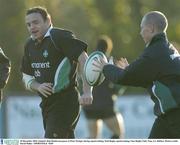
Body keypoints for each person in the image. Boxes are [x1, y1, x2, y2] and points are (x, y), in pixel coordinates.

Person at [93, 11, 180, 138]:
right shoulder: (169, 48)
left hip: (175, 115)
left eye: (142, 28)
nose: (140, 33)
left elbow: (123, 77)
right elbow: (147, 78)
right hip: (166, 116)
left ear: (151, 29)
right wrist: (128, 70)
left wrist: (105, 67)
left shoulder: (153, 53)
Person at [21, 6, 93, 138]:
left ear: (48, 21)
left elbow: (84, 60)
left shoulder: (59, 36)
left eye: (36, 22)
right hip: (47, 104)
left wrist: (87, 91)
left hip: (66, 101)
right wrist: (38, 86)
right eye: (28, 24)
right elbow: (26, 76)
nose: (32, 27)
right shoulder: (29, 44)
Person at [83, 35, 125, 138]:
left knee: (93, 137)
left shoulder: (88, 60)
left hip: (90, 106)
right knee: (118, 133)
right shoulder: (110, 62)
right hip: (106, 105)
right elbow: (117, 88)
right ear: (109, 48)